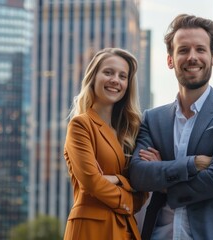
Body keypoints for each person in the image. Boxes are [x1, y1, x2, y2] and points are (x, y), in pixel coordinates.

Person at [129, 14, 213, 240]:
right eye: (183, 50)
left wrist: (164, 183)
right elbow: (138, 175)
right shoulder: (152, 119)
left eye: (200, 49)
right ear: (170, 60)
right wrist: (192, 164)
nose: (192, 57)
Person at [63, 48, 149, 240]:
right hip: (91, 230)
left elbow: (142, 192)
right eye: (108, 72)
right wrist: (128, 193)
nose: (115, 80)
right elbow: (92, 183)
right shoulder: (81, 125)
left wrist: (118, 179)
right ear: (93, 77)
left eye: (122, 76)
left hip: (127, 231)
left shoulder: (130, 132)